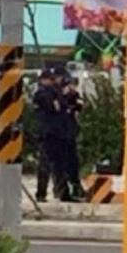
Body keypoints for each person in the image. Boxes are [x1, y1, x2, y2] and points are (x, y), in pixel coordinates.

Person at [32, 68, 75, 202]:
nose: (54, 82)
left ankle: (63, 192)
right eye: (51, 79)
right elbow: (54, 107)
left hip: (59, 133)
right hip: (47, 134)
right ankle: (41, 193)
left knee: (60, 164)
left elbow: (66, 107)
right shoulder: (41, 94)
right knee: (45, 164)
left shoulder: (56, 92)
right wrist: (60, 94)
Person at [62, 75, 85, 198]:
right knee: (64, 162)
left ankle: (76, 186)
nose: (72, 87)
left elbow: (79, 106)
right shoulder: (61, 96)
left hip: (70, 131)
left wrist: (72, 106)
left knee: (73, 161)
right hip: (62, 132)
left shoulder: (75, 96)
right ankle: (65, 187)